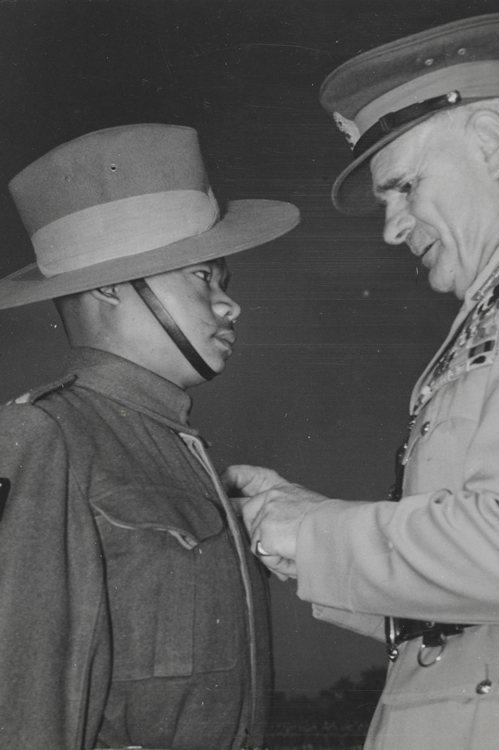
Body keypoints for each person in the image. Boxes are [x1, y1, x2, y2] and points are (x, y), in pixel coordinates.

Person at [223, 13, 499, 749]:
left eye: (404, 187)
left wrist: (313, 528)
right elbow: (490, 610)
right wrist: (297, 536)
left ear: (488, 144)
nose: (393, 227)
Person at [0, 123, 299, 750]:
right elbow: (26, 703)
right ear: (111, 285)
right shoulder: (43, 436)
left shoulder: (173, 447)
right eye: (203, 277)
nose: (229, 305)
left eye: (225, 281)